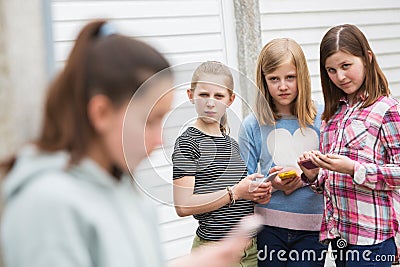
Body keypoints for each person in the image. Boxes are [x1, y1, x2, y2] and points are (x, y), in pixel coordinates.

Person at [0, 20, 261, 267]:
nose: (160, 139)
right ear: (101, 113)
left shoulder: (123, 189)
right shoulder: (46, 205)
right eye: (150, 121)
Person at [301, 24, 400, 266]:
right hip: (340, 237)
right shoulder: (331, 116)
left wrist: (355, 168)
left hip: (373, 241)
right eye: (331, 70)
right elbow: (330, 180)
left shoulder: (387, 110)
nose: (340, 77)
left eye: (346, 66)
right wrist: (314, 175)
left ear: (366, 58)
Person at [172, 61, 272, 267]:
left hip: (250, 251)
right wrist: (234, 192)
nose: (211, 102)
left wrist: (258, 192)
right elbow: (183, 205)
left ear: (231, 99)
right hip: (214, 251)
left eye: (219, 96)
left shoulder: (231, 144)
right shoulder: (187, 143)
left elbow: (239, 197)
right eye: (204, 95)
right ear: (190, 95)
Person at [239, 38, 327, 266]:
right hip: (269, 228)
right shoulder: (252, 125)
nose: (283, 86)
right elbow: (245, 182)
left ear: (302, 77)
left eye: (290, 77)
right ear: (263, 81)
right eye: (274, 79)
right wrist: (271, 184)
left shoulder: (323, 117)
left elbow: (334, 169)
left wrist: (307, 178)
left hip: (313, 228)